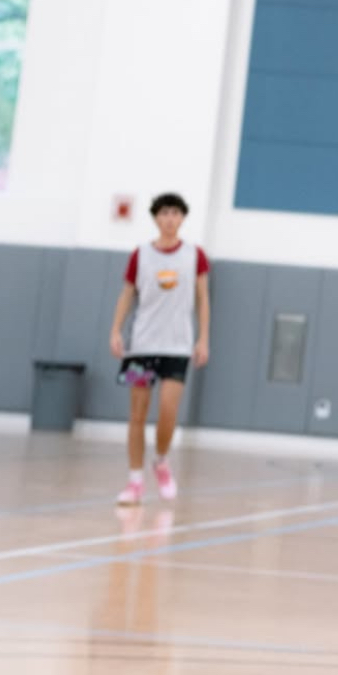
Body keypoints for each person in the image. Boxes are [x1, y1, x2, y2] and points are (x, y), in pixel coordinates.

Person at [107, 192, 209, 507]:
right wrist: (116, 330)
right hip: (142, 346)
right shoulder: (141, 255)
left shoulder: (195, 255)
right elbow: (127, 294)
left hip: (177, 346)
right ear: (155, 217)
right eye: (164, 213)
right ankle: (135, 481)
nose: (169, 219)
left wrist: (203, 338)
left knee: (168, 410)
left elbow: (203, 298)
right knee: (137, 416)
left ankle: (161, 460)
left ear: (182, 218)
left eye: (175, 213)